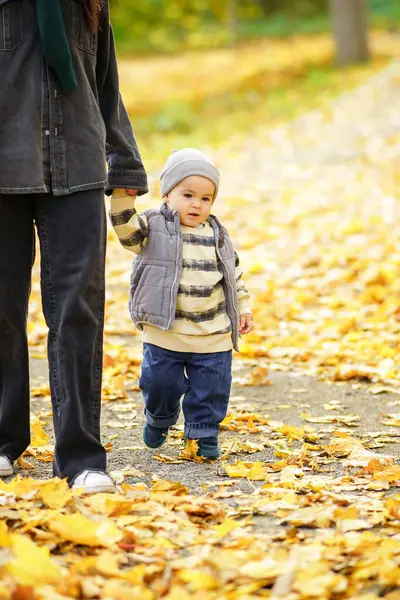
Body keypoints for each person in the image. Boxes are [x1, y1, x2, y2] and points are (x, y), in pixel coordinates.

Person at [0, 0, 147, 492]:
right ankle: (2, 442)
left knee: (79, 311)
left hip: (79, 167)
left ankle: (82, 457)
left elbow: (106, 86)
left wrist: (124, 174)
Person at [110, 148, 253, 459]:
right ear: (167, 195)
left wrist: (243, 308)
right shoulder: (152, 228)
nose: (196, 204)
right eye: (188, 194)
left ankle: (204, 434)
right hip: (166, 331)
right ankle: (160, 416)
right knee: (159, 383)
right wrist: (123, 195)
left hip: (212, 334)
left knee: (212, 388)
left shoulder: (217, 235)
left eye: (205, 199)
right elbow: (125, 230)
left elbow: (233, 275)